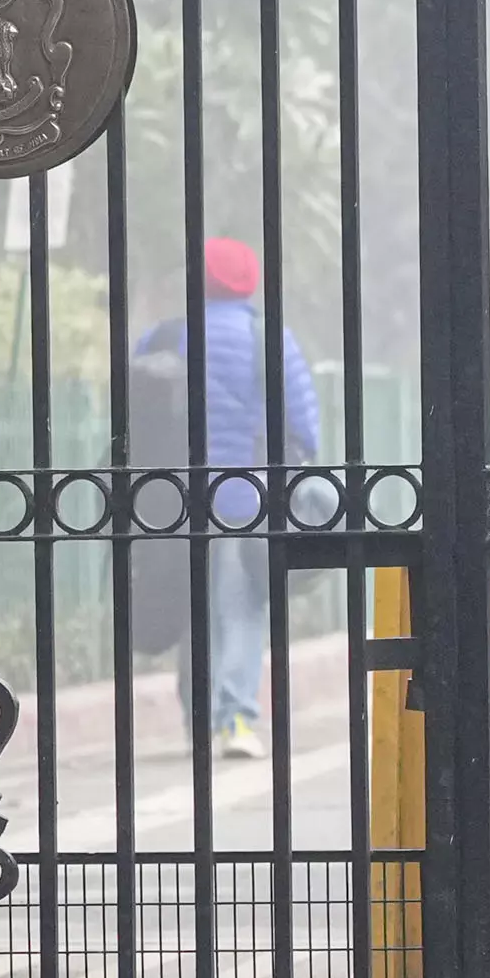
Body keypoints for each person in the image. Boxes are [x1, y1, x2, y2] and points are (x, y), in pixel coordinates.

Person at [136, 235, 320, 759]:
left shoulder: (164, 338)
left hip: (175, 499)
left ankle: (197, 719)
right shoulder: (270, 339)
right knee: (239, 607)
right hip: (250, 496)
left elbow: (130, 415)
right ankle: (236, 718)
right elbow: (304, 426)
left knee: (194, 608)